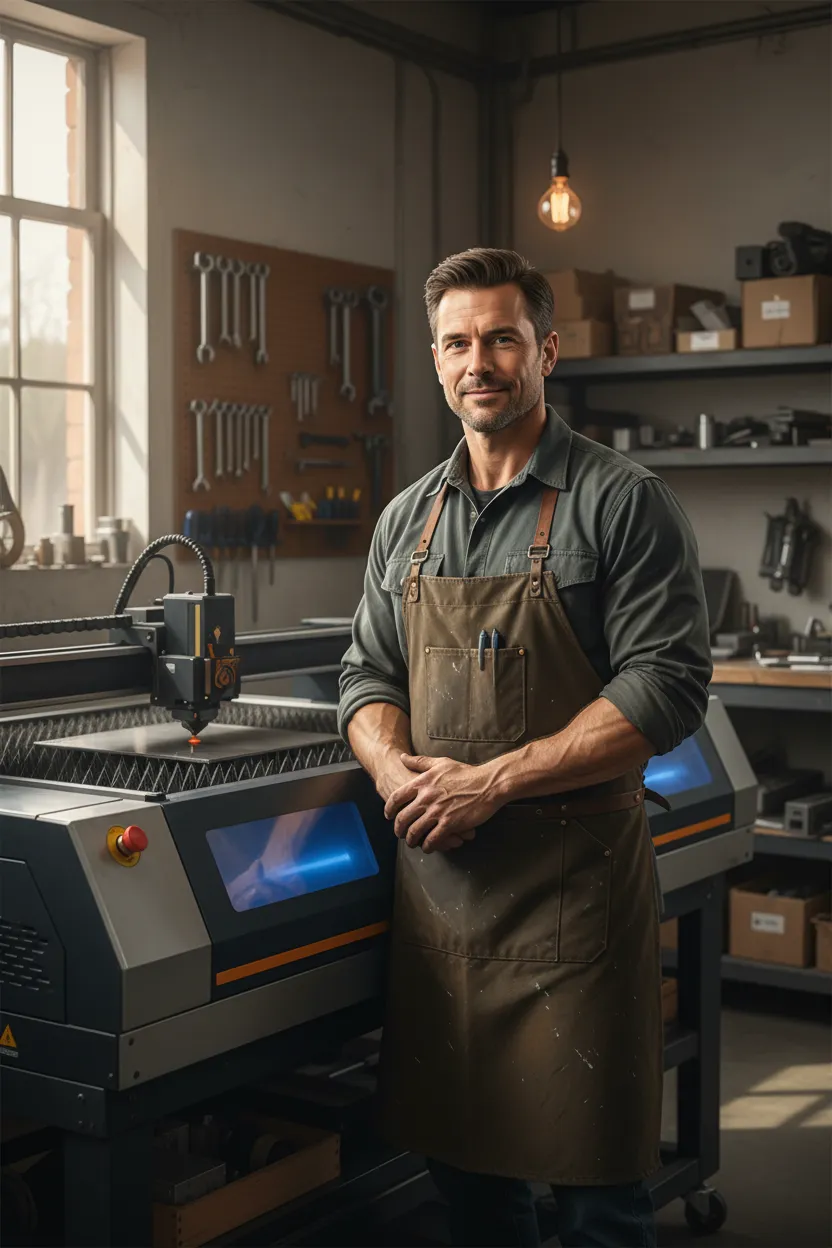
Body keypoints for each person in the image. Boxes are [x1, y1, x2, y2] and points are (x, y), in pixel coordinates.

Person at [338, 248, 712, 1248]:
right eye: (457, 343)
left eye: (501, 339)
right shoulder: (406, 521)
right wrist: (392, 768)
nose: (480, 363)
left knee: (598, 1195)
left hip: (573, 900)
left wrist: (495, 781)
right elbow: (366, 677)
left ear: (545, 350)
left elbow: (667, 684)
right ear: (435, 359)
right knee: (467, 1182)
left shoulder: (622, 501)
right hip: (444, 901)